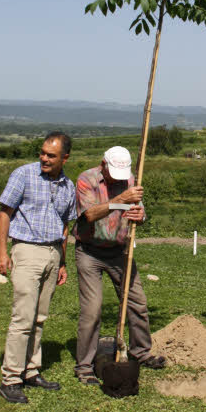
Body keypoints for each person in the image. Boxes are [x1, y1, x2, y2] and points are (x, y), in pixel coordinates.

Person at [72, 146, 165, 384]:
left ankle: (141, 352)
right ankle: (84, 366)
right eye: (112, 172)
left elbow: (140, 212)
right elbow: (88, 215)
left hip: (120, 252)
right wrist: (120, 199)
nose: (117, 179)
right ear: (103, 165)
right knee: (92, 311)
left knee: (137, 302)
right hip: (89, 252)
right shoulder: (87, 179)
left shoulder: (130, 180)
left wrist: (140, 217)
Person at [0, 132, 76, 405]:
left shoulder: (68, 186)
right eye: (42, 152)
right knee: (23, 317)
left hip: (53, 253)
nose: (43, 158)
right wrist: (2, 252)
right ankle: (11, 379)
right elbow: (5, 213)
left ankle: (31, 370)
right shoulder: (24, 175)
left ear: (65, 158)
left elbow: (66, 226)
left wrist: (63, 262)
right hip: (27, 250)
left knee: (40, 317)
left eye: (50, 155)